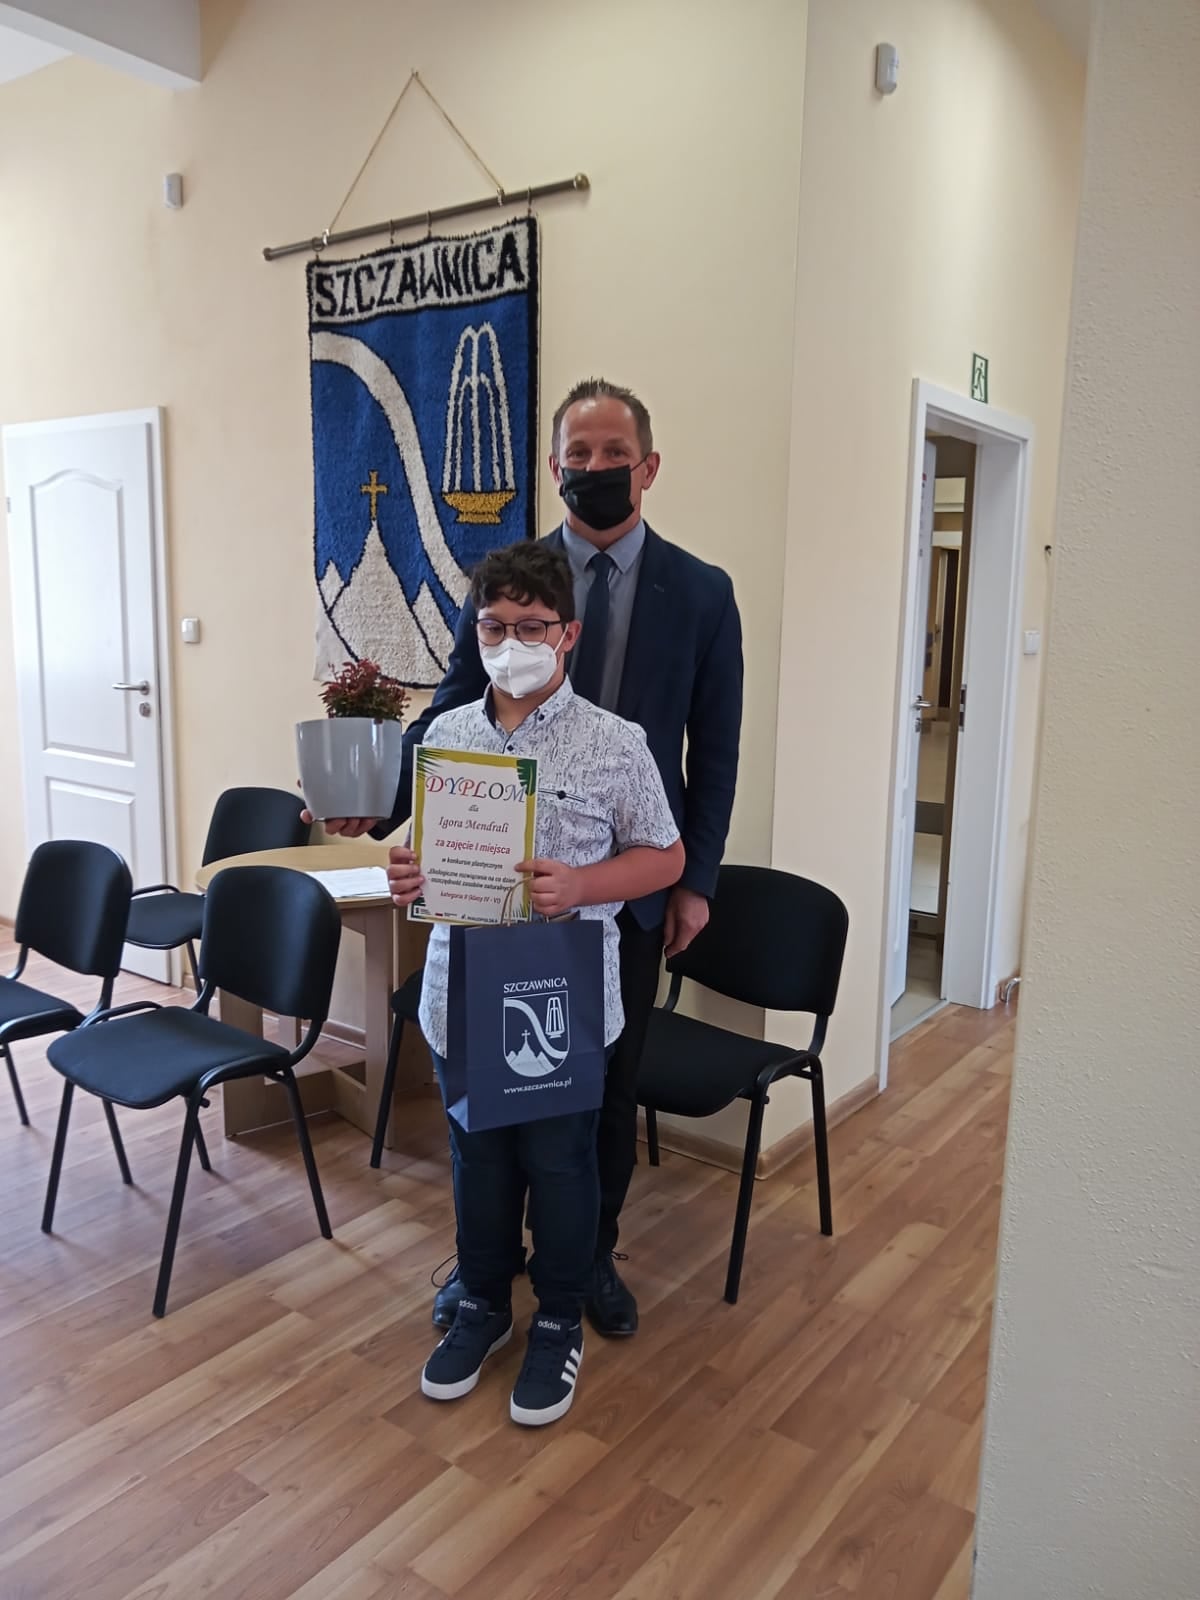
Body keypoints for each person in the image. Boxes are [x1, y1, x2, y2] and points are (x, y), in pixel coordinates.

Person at [318, 377, 743, 1338]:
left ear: (648, 466)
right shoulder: (507, 584)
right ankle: (488, 1268)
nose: (595, 469)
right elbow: (449, 720)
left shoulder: (703, 593)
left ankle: (585, 1264)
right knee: (490, 1102)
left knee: (601, 1095)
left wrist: (697, 883)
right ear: (554, 468)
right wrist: (379, 805)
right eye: (578, 455)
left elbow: (714, 753)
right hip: (493, 907)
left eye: (613, 454)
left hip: (620, 897)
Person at [387, 541, 683, 1426]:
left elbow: (665, 856)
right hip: (463, 992)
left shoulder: (615, 744)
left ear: (568, 635)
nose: (510, 643)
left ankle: (557, 1317)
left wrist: (584, 885)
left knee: (559, 1165)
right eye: (493, 626)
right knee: (478, 1160)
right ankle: (482, 1301)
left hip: (561, 997)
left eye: (530, 627)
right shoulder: (447, 736)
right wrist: (410, 874)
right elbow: (428, 849)